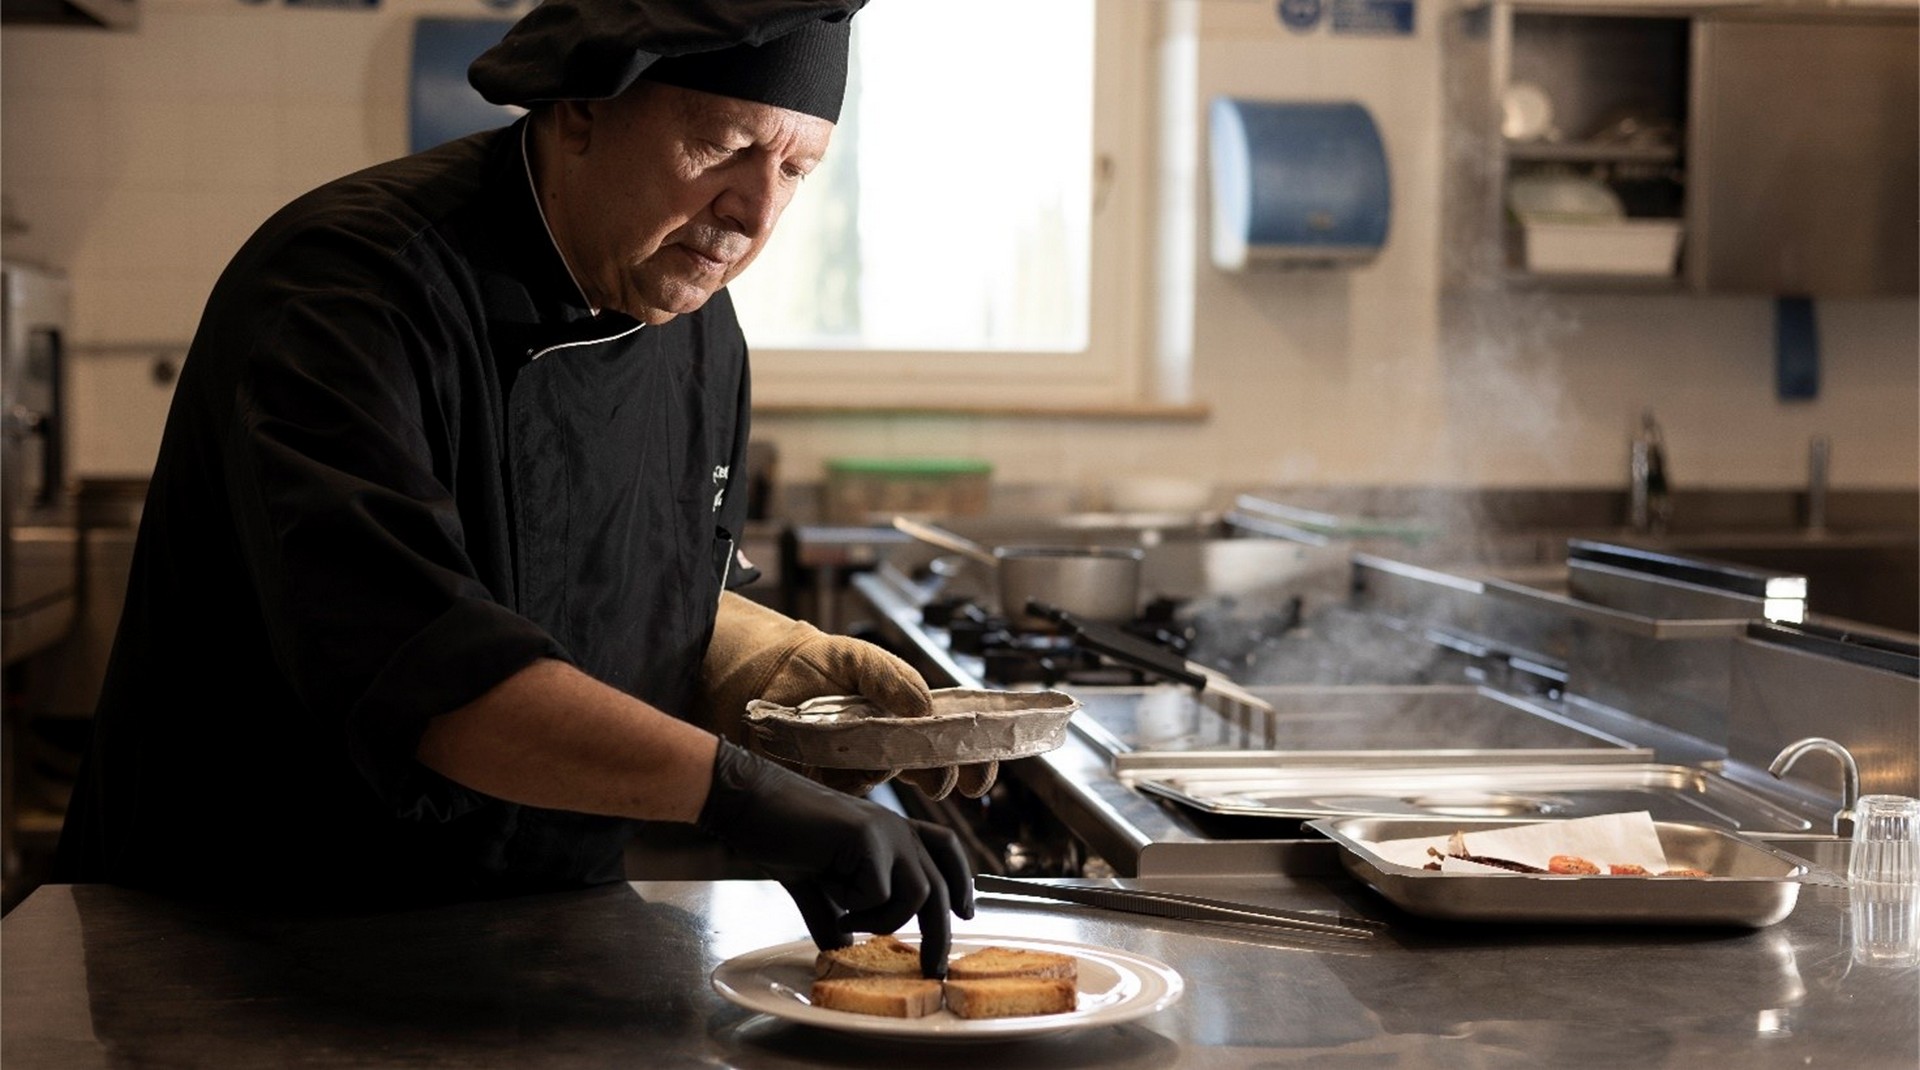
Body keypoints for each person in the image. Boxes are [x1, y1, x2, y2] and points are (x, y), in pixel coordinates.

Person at [53, 0, 974, 977]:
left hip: (528, 933)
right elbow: (426, 671)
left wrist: (772, 669)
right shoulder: (349, 290)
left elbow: (639, 572)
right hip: (252, 945)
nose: (754, 214)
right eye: (721, 145)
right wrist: (743, 794)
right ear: (580, 107)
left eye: (795, 170)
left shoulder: (700, 330)